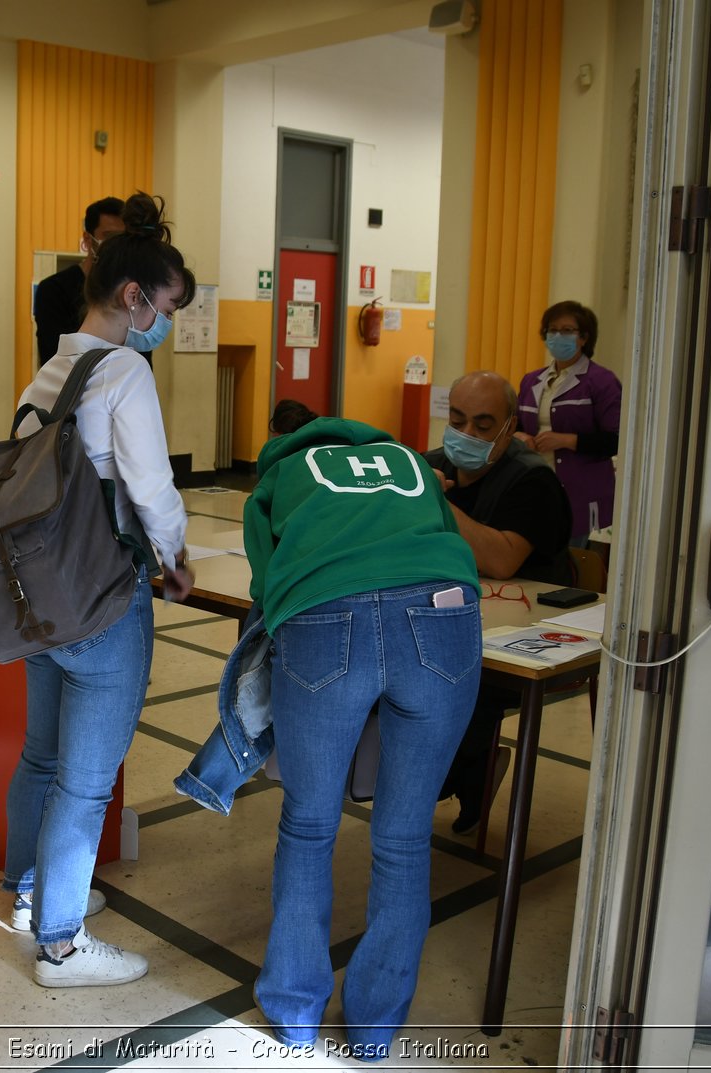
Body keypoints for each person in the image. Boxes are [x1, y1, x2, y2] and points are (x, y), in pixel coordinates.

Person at [184, 398, 482, 1056]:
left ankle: (294, 1010)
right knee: (403, 839)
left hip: (326, 621)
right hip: (443, 617)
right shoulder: (407, 460)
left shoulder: (276, 479)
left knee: (310, 823)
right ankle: (375, 1026)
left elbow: (266, 591)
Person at [3, 192, 195, 987]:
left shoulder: (53, 366)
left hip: (39, 595)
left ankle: (28, 891)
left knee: (41, 755)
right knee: (86, 779)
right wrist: (176, 555)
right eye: (166, 307)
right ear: (132, 297)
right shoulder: (122, 370)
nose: (165, 323)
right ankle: (61, 944)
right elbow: (150, 490)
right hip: (104, 599)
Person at [425, 370, 571, 833]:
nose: (466, 435)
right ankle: (432, 777)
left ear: (510, 428)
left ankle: (466, 776)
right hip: (445, 616)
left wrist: (437, 503)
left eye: (483, 426)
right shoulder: (428, 464)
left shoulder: (531, 481)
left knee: (460, 680)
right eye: (459, 420)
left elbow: (503, 560)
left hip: (521, 632)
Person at [516, 300, 622, 545]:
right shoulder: (532, 380)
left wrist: (567, 440)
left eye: (567, 330)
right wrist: (520, 437)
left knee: (573, 559)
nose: (557, 336)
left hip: (582, 493)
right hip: (537, 483)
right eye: (552, 330)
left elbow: (616, 439)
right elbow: (516, 425)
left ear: (583, 338)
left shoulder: (602, 381)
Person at [33, 197, 127, 366]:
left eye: (123, 238)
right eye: (109, 236)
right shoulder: (54, 290)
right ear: (87, 238)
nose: (117, 246)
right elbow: (53, 360)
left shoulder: (130, 294)